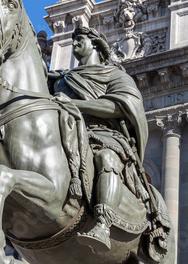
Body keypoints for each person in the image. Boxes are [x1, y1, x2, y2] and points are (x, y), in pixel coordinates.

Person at [48, 25, 149, 251]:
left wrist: (75, 104)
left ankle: (103, 224)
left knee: (107, 159)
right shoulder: (60, 80)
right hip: (65, 132)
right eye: (73, 39)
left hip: (102, 134)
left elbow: (119, 106)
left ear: (95, 44)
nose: (74, 43)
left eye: (80, 39)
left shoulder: (114, 75)